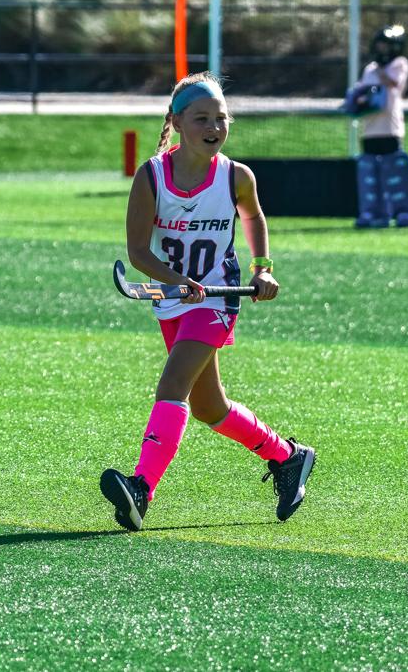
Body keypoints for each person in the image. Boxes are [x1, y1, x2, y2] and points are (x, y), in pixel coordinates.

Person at [100, 72, 317, 532]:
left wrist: (263, 268)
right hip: (172, 297)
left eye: (221, 118)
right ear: (177, 122)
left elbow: (253, 217)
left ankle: (141, 488)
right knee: (209, 408)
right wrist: (177, 280)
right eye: (201, 118)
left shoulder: (237, 176)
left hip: (217, 297)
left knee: (173, 384)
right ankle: (288, 456)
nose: (214, 126)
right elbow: (138, 253)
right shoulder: (152, 177)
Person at [352, 25, 408, 229]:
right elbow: (361, 92)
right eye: (379, 45)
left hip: (390, 128)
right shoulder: (369, 69)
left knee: (395, 172)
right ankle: (373, 212)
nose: (381, 49)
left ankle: (405, 212)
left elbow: (394, 84)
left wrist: (379, 71)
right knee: (370, 173)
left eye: (385, 46)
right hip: (370, 129)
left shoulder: (399, 64)